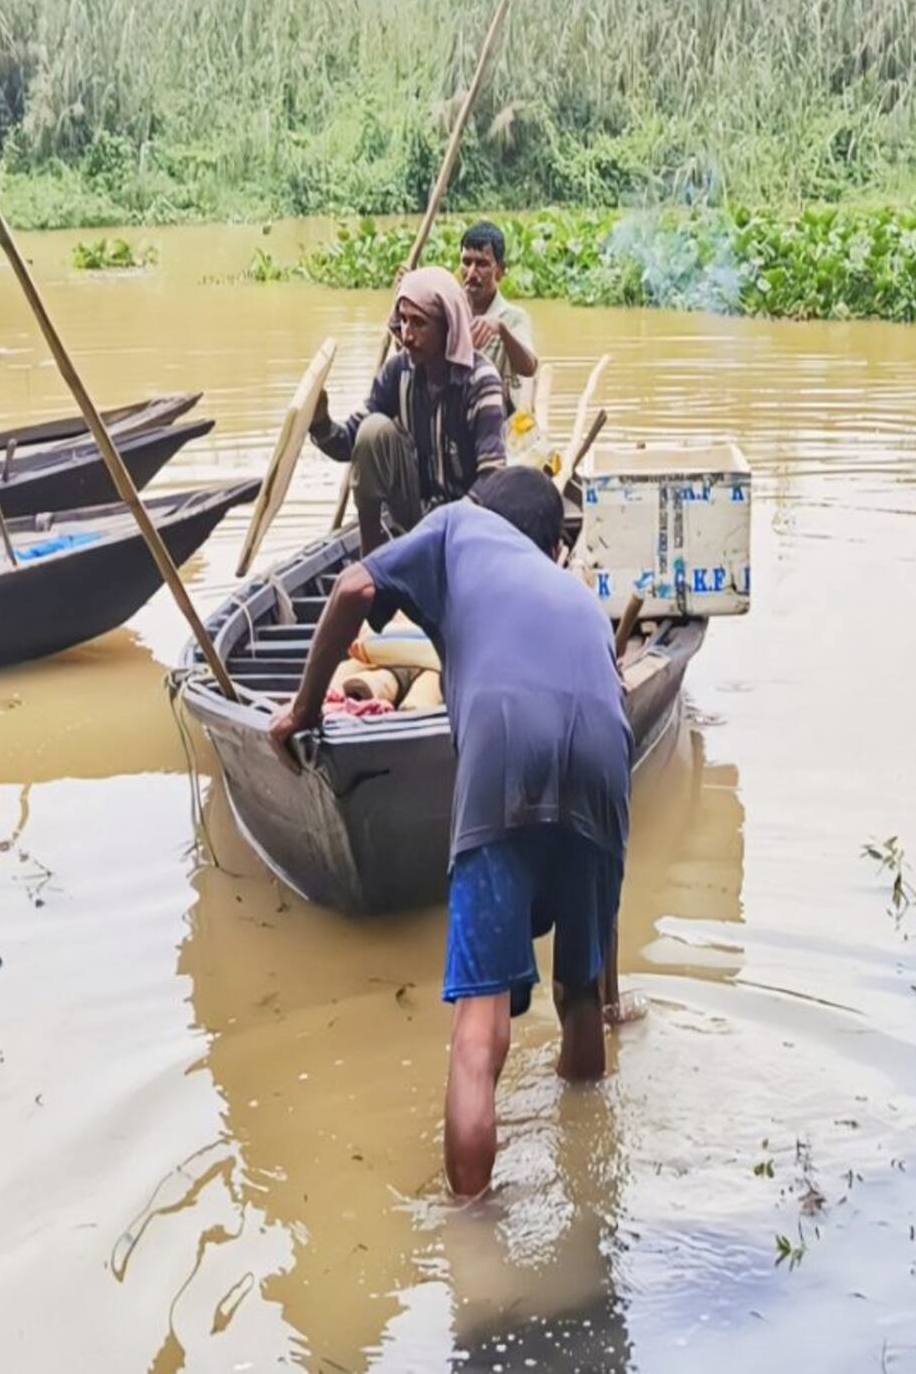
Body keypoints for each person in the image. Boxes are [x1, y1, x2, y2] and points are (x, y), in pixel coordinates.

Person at [268, 467, 630, 1198]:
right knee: (581, 998)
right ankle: (590, 1194)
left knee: (479, 1030)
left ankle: (472, 1238)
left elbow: (352, 591)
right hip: (606, 753)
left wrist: (304, 711)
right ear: (547, 546)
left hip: (504, 747)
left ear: (479, 507)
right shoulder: (581, 600)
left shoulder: (456, 525)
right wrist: (609, 991)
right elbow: (611, 702)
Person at [309, 265, 508, 554]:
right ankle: (372, 557)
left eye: (419, 323)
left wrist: (443, 526)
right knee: (373, 431)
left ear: (447, 327)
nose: (407, 334)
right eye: (403, 321)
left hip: (467, 524)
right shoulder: (397, 372)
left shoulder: (481, 380)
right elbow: (350, 442)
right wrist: (319, 422)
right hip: (416, 516)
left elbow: (492, 477)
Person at [460, 221, 540, 412]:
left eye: (482, 264)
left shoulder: (513, 317)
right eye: (466, 262)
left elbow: (529, 367)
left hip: (496, 419)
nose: (471, 273)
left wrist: (501, 329)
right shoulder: (449, 311)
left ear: (500, 270)